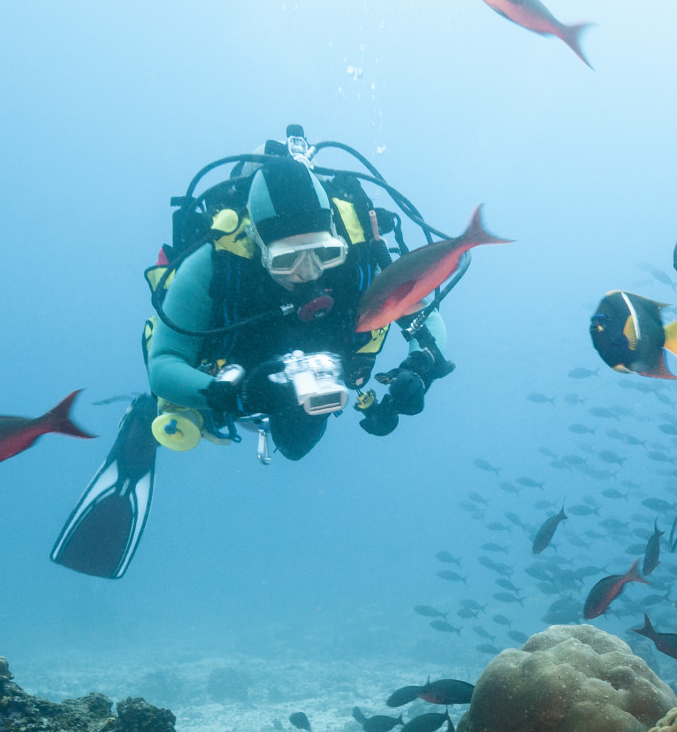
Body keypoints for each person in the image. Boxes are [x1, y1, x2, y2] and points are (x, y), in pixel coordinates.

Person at [52, 127, 454, 579]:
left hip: (324, 370)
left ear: (337, 238)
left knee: (299, 445)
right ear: (258, 244)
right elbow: (163, 364)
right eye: (287, 260)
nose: (310, 273)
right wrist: (231, 395)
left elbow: (425, 317)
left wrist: (419, 368)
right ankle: (147, 423)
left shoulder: (363, 251)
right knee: (189, 411)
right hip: (233, 372)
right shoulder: (216, 261)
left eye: (324, 253)